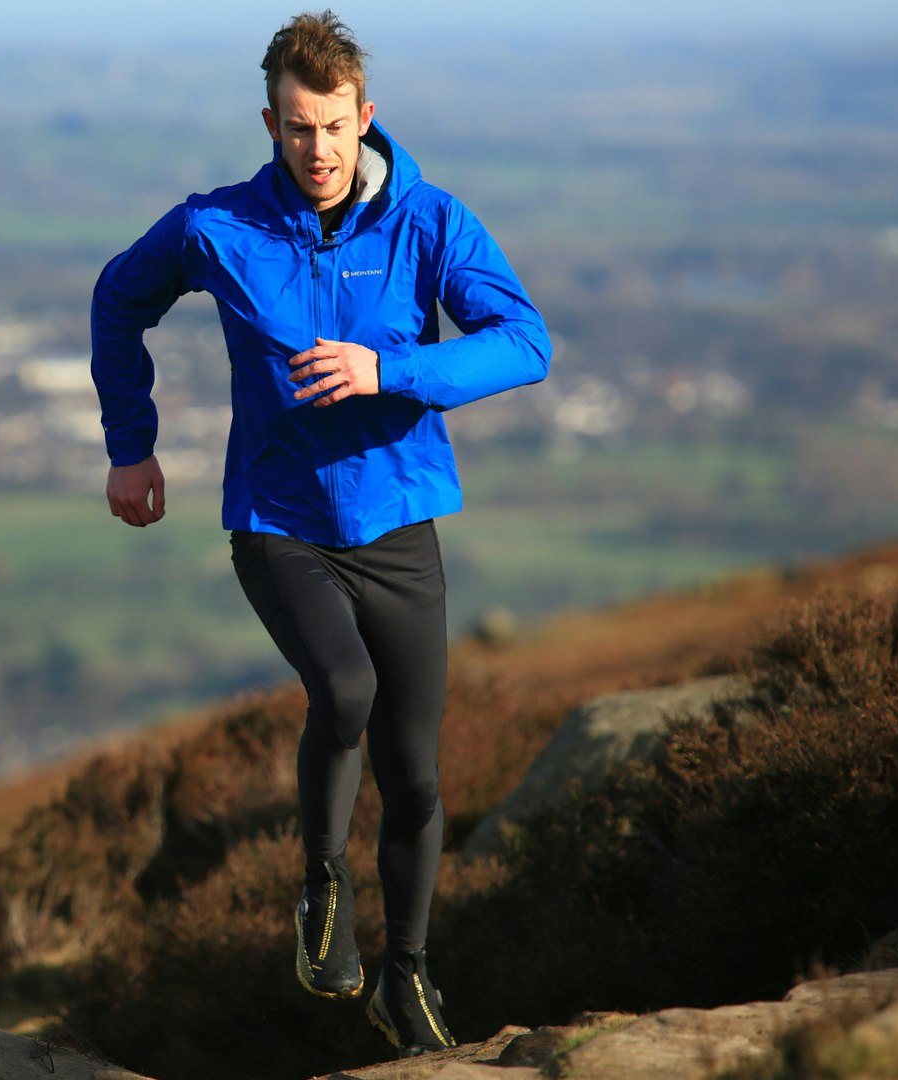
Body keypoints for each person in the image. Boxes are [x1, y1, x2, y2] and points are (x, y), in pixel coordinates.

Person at [89, 10, 550, 1058]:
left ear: (365, 117)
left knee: (420, 777)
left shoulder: (429, 223)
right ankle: (320, 889)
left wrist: (393, 371)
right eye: (297, 129)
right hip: (280, 521)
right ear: (271, 123)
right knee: (344, 689)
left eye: (335, 127)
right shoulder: (219, 228)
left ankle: (408, 974)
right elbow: (118, 302)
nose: (318, 150)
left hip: (397, 522)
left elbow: (526, 342)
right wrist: (132, 444)